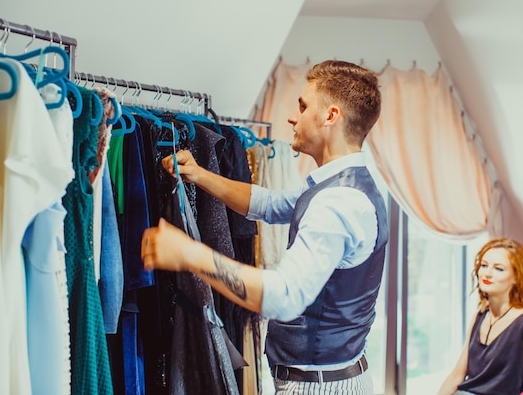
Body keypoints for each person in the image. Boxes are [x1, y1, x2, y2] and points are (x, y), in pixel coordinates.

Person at [141, 60, 388, 394]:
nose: (292, 117)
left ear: (331, 116)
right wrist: (199, 174)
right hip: (328, 378)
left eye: (303, 107)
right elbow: (272, 205)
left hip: (317, 387)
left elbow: (282, 297)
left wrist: (189, 254)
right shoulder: (345, 185)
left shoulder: (338, 203)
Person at [436, 238, 523, 395]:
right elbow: (457, 375)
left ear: (516, 277)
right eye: (484, 265)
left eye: (499, 269)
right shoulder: (480, 316)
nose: (487, 274)